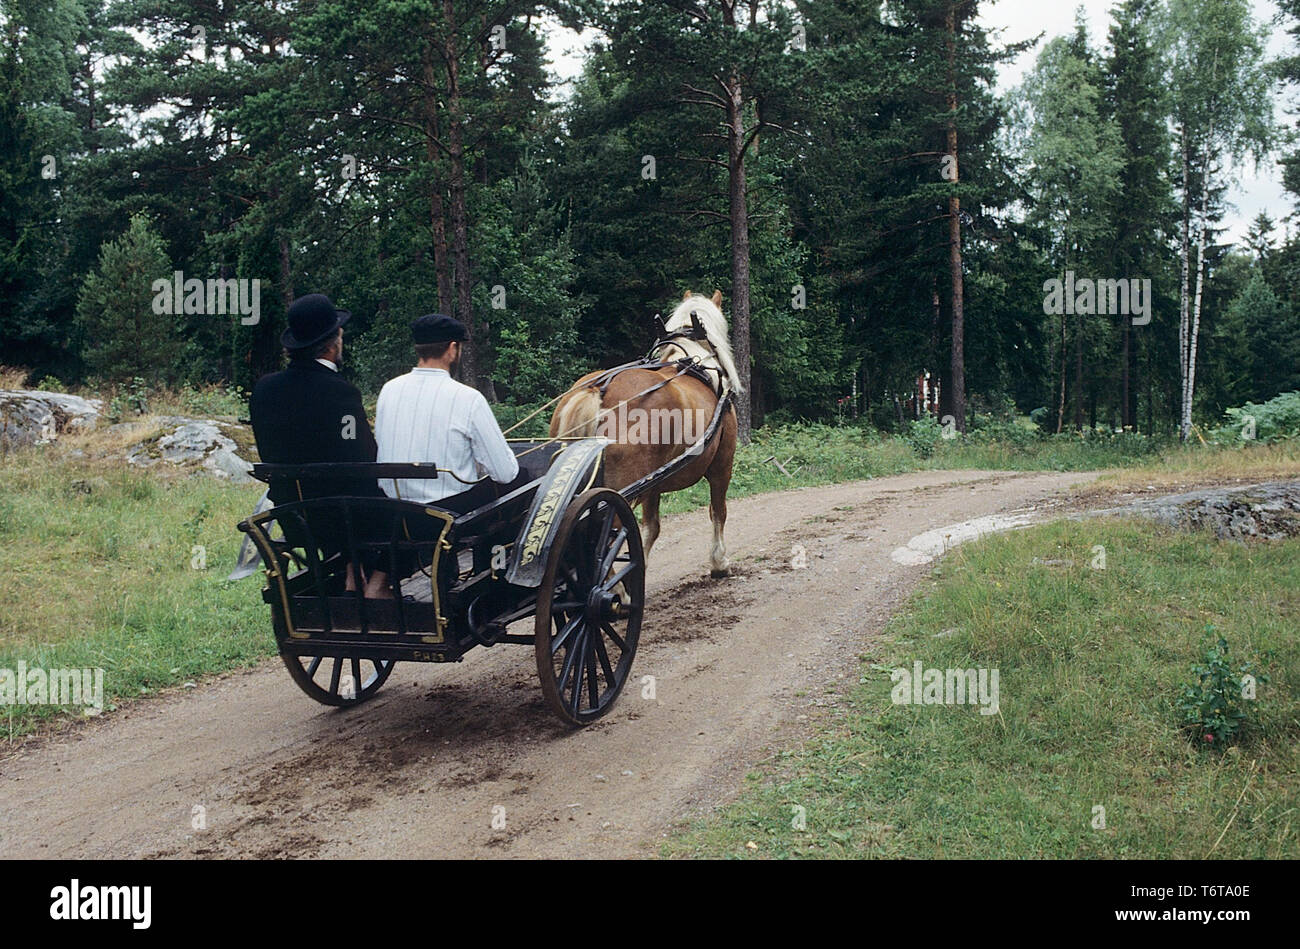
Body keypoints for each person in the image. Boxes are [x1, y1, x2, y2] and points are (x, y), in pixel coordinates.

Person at [367, 313, 528, 596]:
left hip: (394, 513)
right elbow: (505, 472)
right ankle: (494, 576)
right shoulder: (467, 398)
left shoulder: (388, 391)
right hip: (445, 518)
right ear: (452, 349)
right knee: (521, 480)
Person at [248, 293, 387, 595]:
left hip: (294, 516)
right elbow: (365, 457)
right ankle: (372, 583)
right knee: (409, 510)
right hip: (345, 519)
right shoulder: (340, 392)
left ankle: (351, 571)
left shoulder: (264, 390)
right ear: (332, 343)